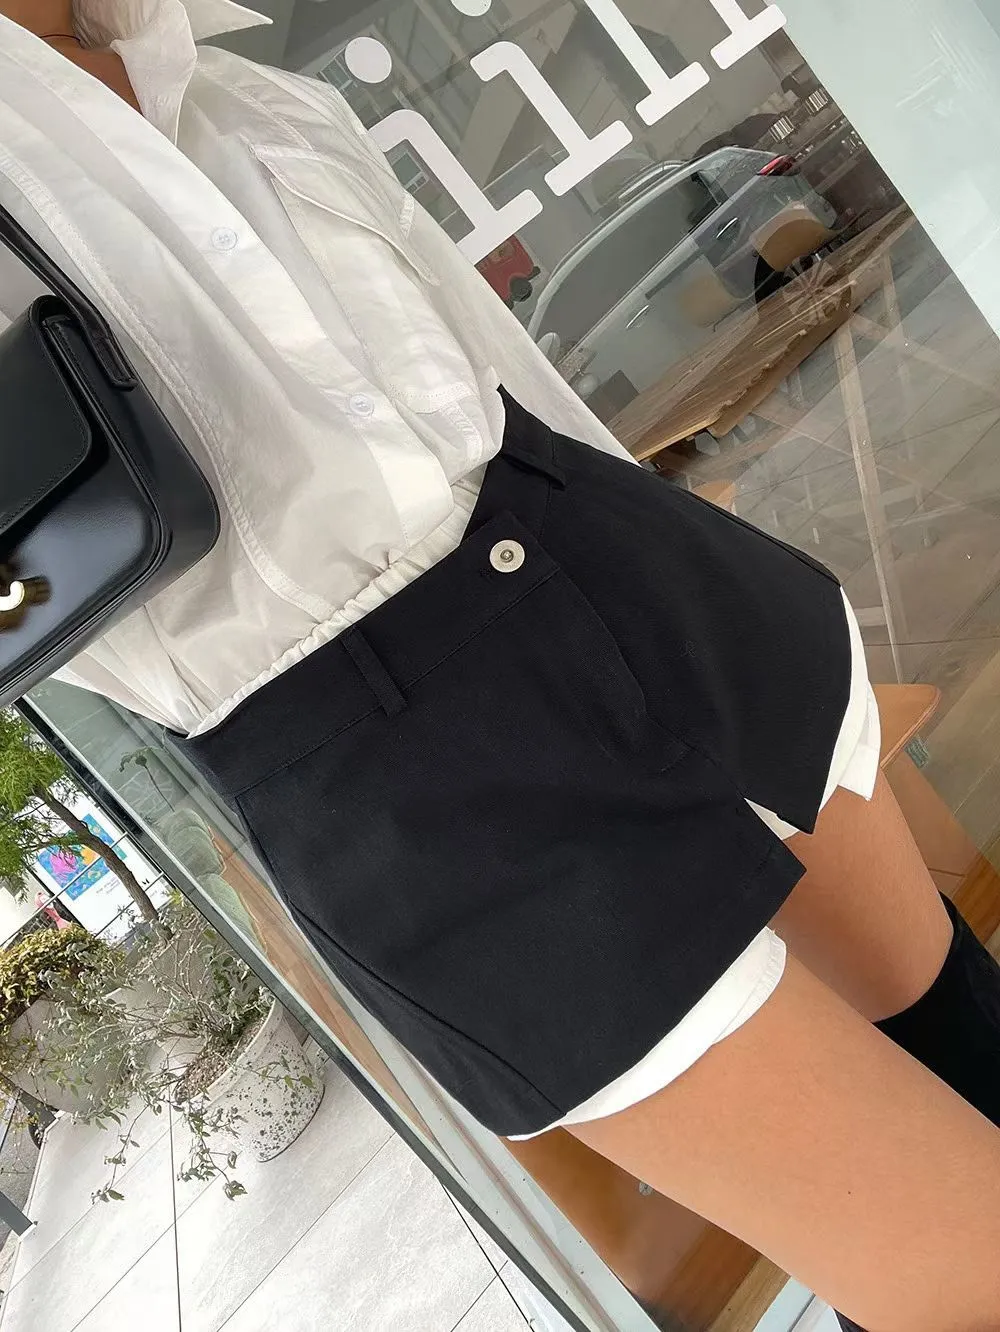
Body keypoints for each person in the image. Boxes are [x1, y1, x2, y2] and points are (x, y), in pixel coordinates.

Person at [1, 5, 999, 1328]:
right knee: (964, 1274)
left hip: (640, 586)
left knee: (958, 1019)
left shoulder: (233, 87)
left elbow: (510, 385)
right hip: (411, 796)